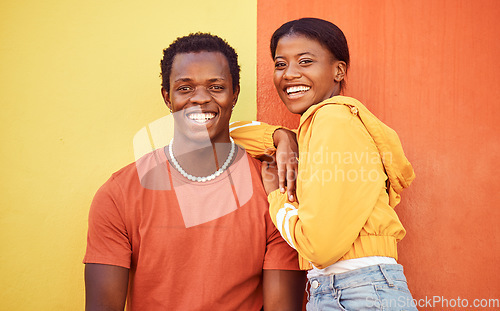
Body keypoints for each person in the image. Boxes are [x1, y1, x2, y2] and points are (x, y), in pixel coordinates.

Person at [83, 32, 305, 311]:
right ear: (167, 97)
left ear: (234, 94)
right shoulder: (119, 194)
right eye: (185, 88)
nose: (200, 99)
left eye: (215, 87)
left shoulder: (272, 190)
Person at [254, 18, 417, 310]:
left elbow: (321, 247)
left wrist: (277, 197)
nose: (289, 74)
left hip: (357, 292)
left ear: (338, 70)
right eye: (280, 64)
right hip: (352, 288)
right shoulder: (319, 128)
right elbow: (228, 131)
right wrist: (281, 136)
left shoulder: (333, 121)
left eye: (305, 61)